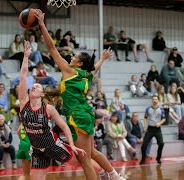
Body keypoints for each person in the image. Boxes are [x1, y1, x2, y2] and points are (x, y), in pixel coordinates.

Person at [35, 9, 125, 180]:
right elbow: (94, 68)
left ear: (80, 63)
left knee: (85, 161)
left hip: (78, 116)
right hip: (86, 115)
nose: (71, 57)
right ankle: (114, 176)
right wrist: (103, 58)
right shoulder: (86, 75)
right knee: (92, 153)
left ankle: (114, 177)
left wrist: (41, 24)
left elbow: (52, 48)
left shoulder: (70, 71)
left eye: (75, 56)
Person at [18, 39, 86, 180]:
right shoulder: (24, 104)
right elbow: (23, 75)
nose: (35, 86)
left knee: (84, 164)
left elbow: (63, 126)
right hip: (37, 150)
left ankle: (107, 173)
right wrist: (26, 56)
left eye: (38, 87)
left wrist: (71, 145)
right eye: (34, 86)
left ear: (42, 94)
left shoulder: (48, 109)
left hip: (53, 145)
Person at [140, 95, 166, 165]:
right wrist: (145, 126)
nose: (154, 100)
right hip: (150, 129)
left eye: (156, 99)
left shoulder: (161, 109)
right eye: (153, 99)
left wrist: (160, 123)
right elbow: (145, 118)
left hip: (157, 129)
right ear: (152, 100)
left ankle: (158, 158)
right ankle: (143, 158)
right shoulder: (148, 109)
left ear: (158, 100)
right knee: (144, 145)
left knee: (161, 144)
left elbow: (164, 118)